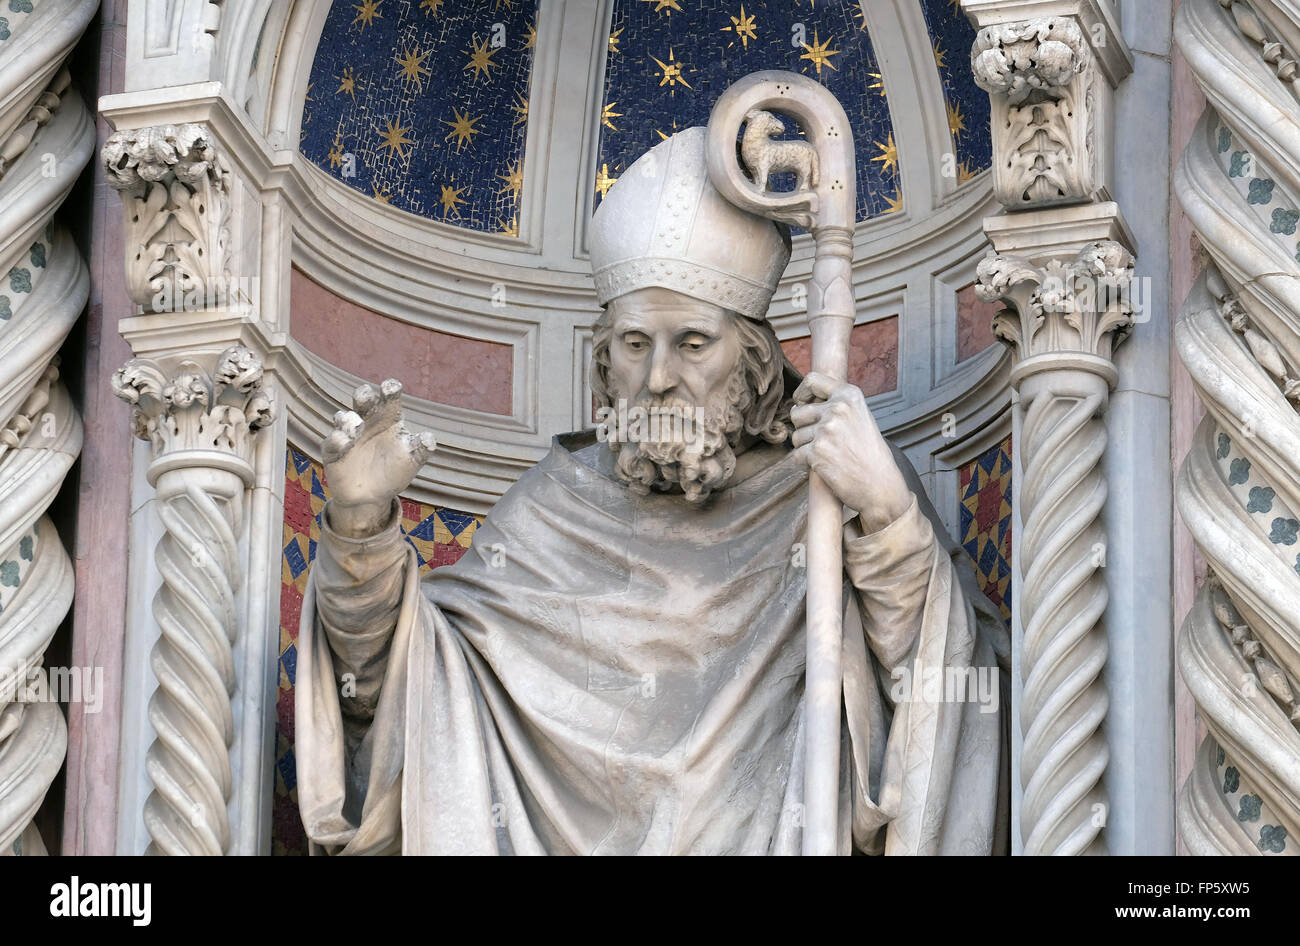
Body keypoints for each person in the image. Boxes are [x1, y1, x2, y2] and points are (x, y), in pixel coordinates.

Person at [295, 126, 1008, 855]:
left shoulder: (830, 501)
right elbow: (399, 691)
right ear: (606, 361)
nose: (659, 374)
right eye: (636, 345)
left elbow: (950, 695)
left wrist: (888, 514)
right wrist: (361, 530)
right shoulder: (552, 510)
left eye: (693, 343)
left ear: (755, 359)